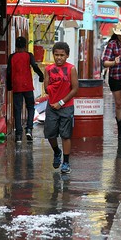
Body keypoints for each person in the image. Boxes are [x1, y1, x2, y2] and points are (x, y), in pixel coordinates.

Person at [44, 42, 78, 174]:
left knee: (65, 135)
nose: (59, 58)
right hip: (52, 106)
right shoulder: (48, 69)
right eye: (56, 55)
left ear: (67, 56)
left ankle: (66, 162)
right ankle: (57, 152)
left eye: (62, 55)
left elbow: (75, 89)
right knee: (50, 134)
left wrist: (62, 102)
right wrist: (52, 88)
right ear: (53, 55)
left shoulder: (71, 69)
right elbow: (46, 88)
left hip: (66, 106)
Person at [7, 36, 44, 143]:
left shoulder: (12, 57)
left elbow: (9, 72)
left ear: (16, 46)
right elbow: (35, 66)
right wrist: (41, 76)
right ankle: (29, 129)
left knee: (17, 110)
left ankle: (18, 135)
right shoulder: (29, 55)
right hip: (27, 86)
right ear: (26, 45)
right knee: (30, 108)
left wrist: (9, 86)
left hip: (17, 87)